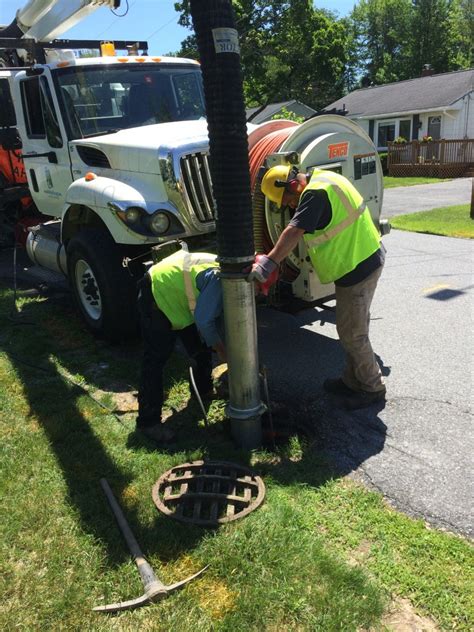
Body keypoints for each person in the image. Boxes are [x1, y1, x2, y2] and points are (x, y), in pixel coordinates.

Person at [251, 164, 387, 410]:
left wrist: (269, 263)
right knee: (350, 328)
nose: (291, 206)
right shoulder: (325, 179)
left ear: (294, 185)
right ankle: (351, 380)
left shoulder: (315, 193)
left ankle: (371, 387)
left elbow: (294, 231)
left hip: (358, 267)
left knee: (353, 334)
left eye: (289, 200)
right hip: (360, 260)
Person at [136, 247, 226, 443]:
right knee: (155, 361)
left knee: (200, 348)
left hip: (177, 295)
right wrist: (222, 351)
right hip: (157, 294)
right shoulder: (221, 278)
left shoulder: (227, 268)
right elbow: (205, 321)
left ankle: (203, 390)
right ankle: (148, 422)